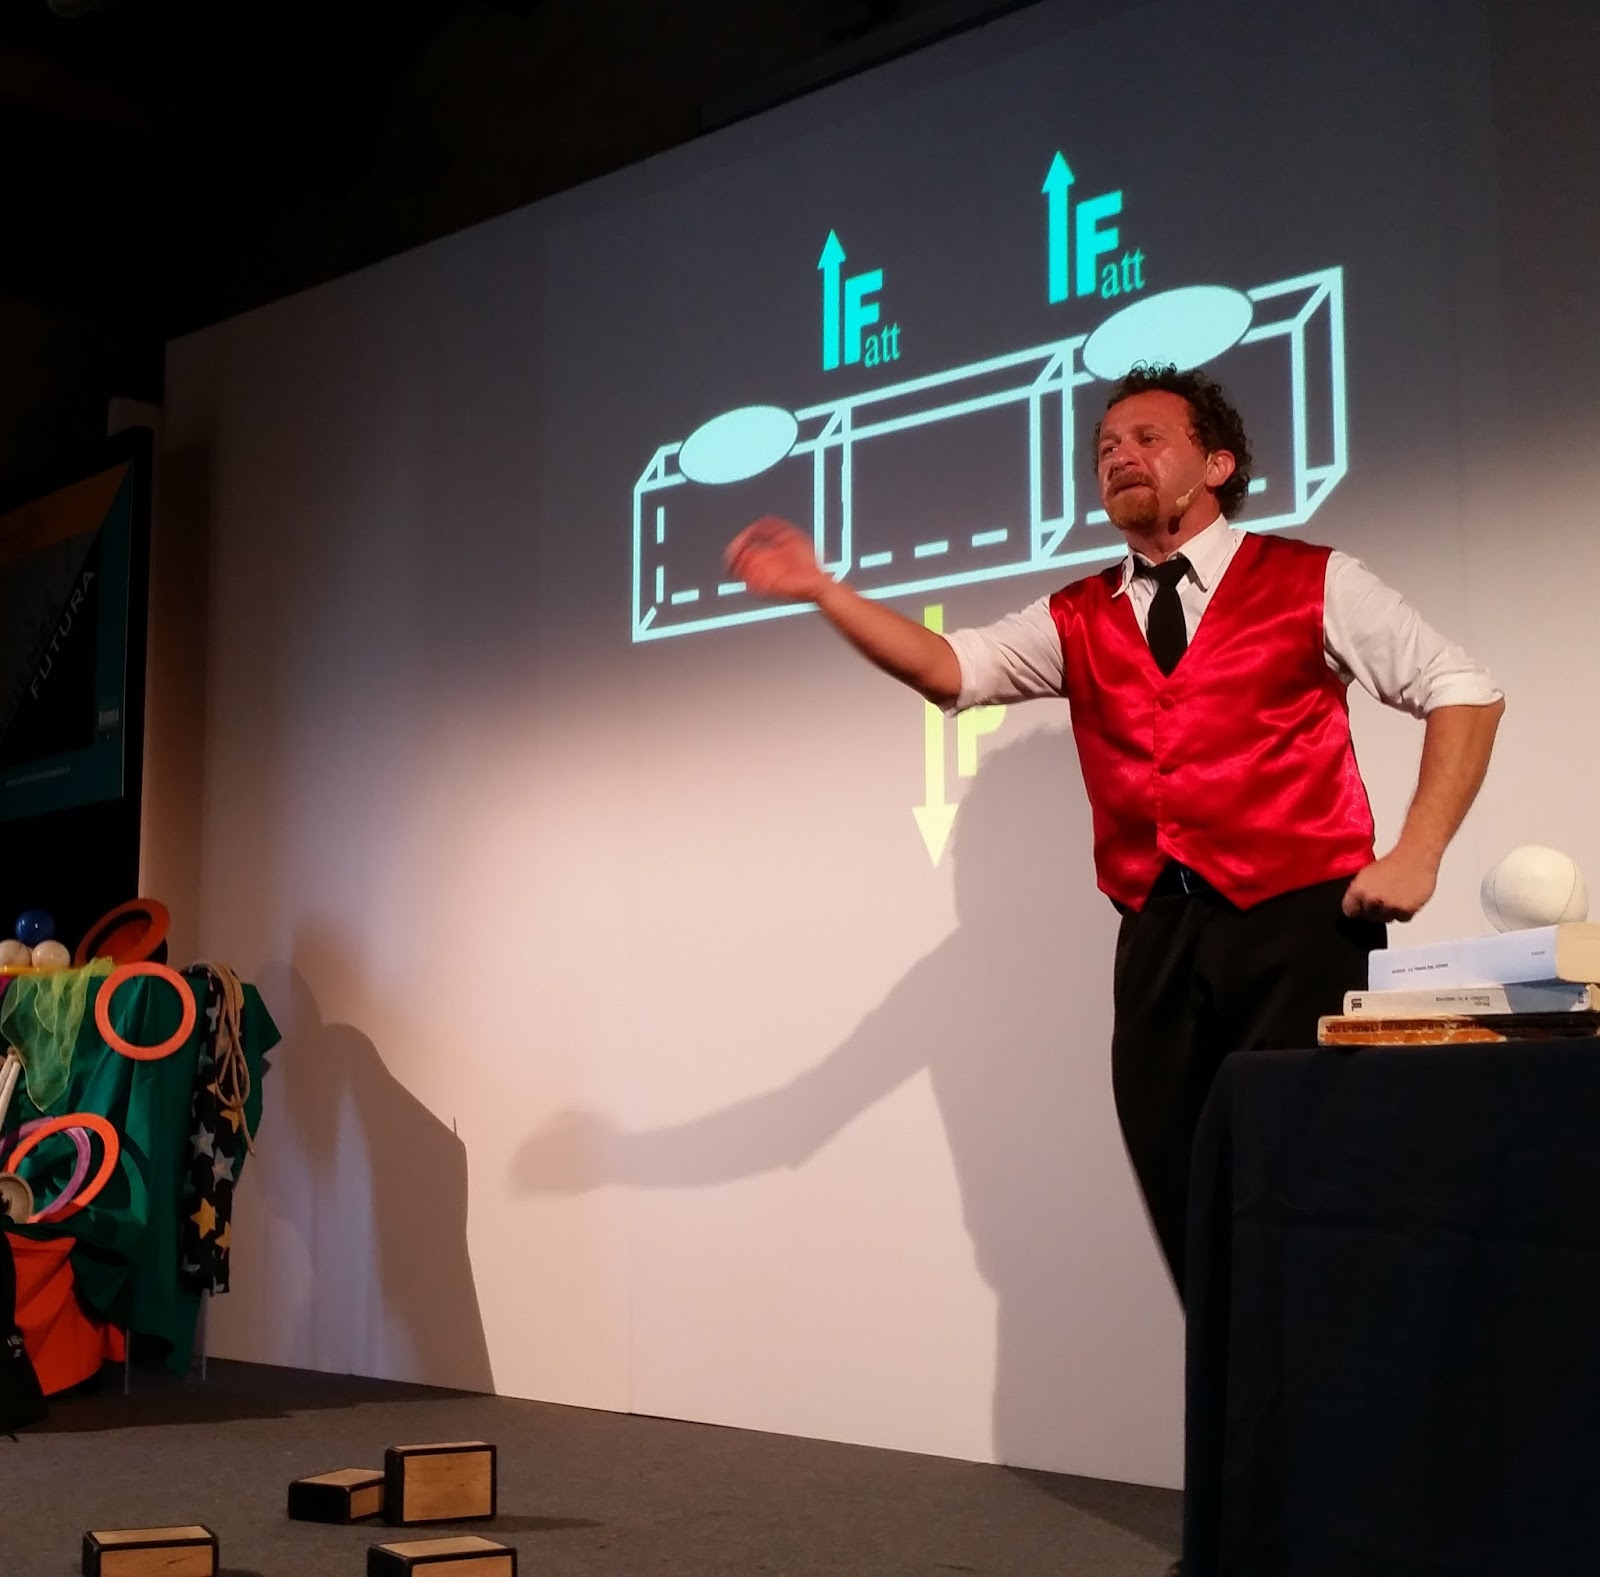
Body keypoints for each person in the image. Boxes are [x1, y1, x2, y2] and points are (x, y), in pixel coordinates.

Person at [724, 363, 1505, 1307]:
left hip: (1298, 926)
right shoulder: (1077, 614)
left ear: (1217, 464)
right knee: (1190, 1204)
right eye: (1104, 448)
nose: (1118, 456)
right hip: (1158, 936)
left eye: (1147, 438)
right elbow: (948, 668)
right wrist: (822, 589)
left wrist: (1418, 850)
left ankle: (1334, 1396)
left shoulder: (1314, 579)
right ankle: (1234, 1399)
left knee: (1315, 1197)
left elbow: (1463, 687)